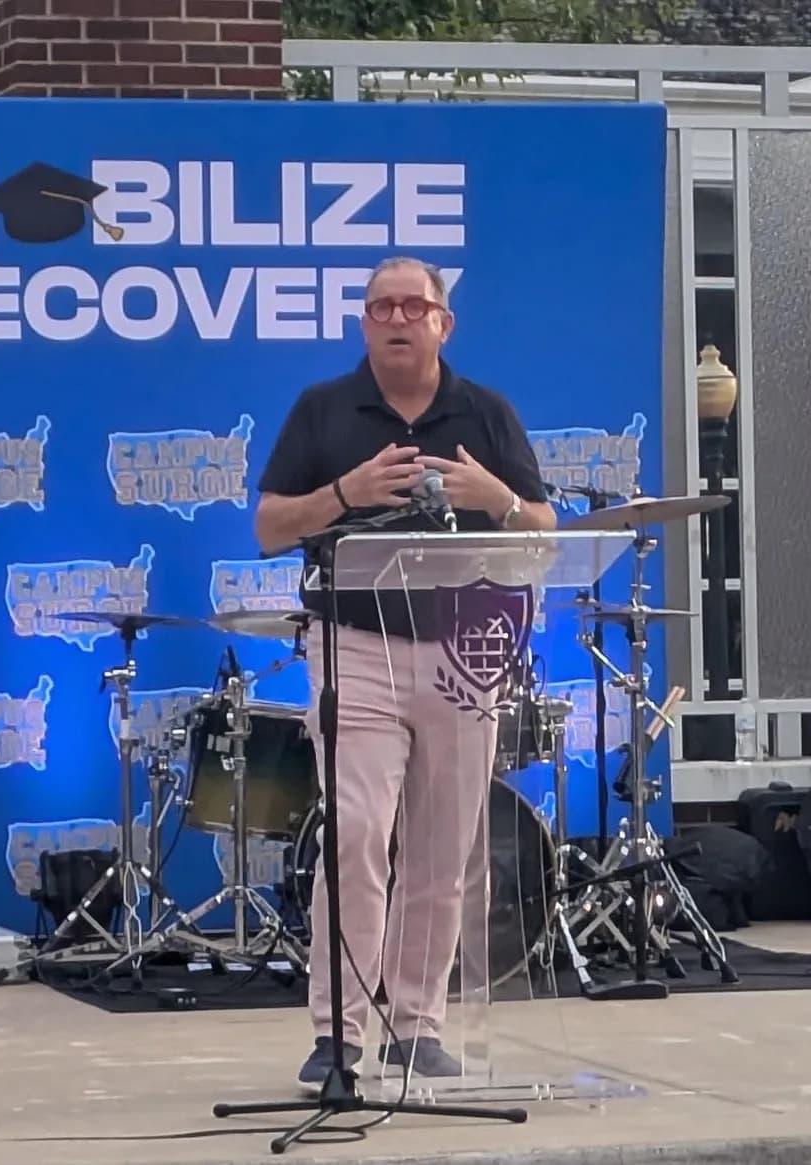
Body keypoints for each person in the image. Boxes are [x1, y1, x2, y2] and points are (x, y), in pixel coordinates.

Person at [253, 256, 556, 1088]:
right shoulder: (323, 409)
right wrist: (344, 491)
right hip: (356, 648)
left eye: (412, 306)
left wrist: (498, 496)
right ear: (364, 323)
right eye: (380, 306)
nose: (396, 318)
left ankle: (417, 1023)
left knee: (444, 846)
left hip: (464, 650)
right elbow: (271, 528)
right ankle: (339, 1033)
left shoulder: (486, 413)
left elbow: (543, 536)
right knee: (355, 835)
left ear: (441, 323)